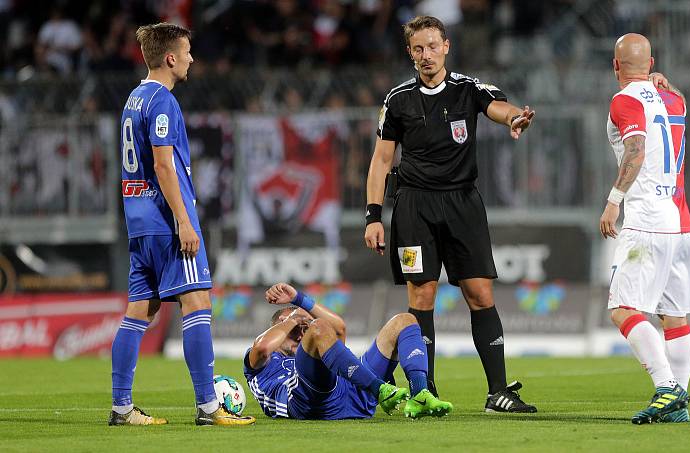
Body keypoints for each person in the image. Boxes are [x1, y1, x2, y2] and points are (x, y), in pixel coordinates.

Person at [363, 15, 537, 413]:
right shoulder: (398, 100)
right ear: (410, 54)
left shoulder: (467, 89)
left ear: (446, 46)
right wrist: (373, 215)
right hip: (414, 208)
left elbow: (496, 106)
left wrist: (515, 118)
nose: (426, 55)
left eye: (432, 46)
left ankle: (498, 393)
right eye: (418, 49)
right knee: (421, 297)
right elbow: (380, 161)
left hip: (462, 203)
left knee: (480, 293)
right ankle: (426, 391)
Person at [109, 23, 254, 426]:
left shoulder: (133, 99)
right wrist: (185, 222)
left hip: (138, 222)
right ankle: (209, 407)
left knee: (141, 308)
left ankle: (122, 408)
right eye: (187, 52)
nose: (192, 58)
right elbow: (162, 165)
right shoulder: (162, 101)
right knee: (198, 302)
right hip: (165, 223)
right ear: (170, 57)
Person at [600, 33, 690, 424]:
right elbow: (676, 104)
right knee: (675, 318)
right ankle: (680, 403)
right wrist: (666, 82)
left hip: (646, 224)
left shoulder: (623, 100)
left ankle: (666, 388)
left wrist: (612, 201)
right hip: (681, 224)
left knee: (622, 309)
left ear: (615, 65)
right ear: (652, 63)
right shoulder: (676, 99)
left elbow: (636, 149)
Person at [245, 283, 453, 420]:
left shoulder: (316, 342)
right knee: (319, 327)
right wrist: (294, 319)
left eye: (303, 330)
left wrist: (299, 299)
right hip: (309, 400)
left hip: (353, 389)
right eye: (295, 331)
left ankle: (420, 395)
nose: (301, 336)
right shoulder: (259, 360)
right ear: (280, 326)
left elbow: (340, 328)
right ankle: (379, 388)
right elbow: (263, 348)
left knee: (404, 321)